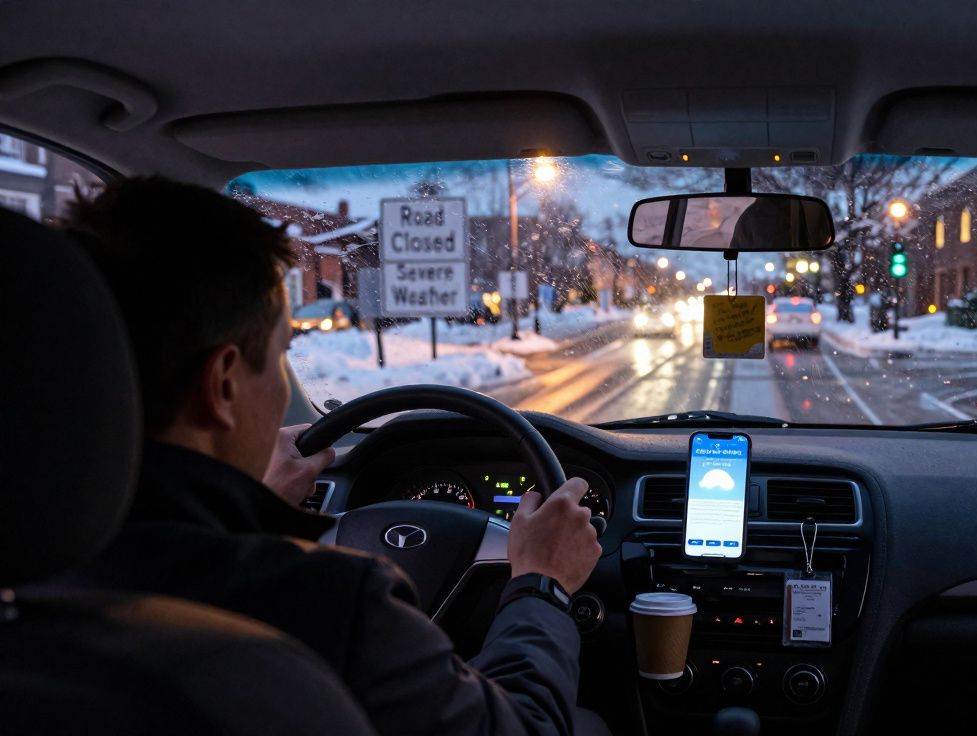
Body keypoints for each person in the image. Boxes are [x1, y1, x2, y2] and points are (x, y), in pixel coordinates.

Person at [49, 177, 604, 736]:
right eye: (281, 355)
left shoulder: (35, 572)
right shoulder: (331, 607)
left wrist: (254, 505)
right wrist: (542, 581)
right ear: (222, 385)